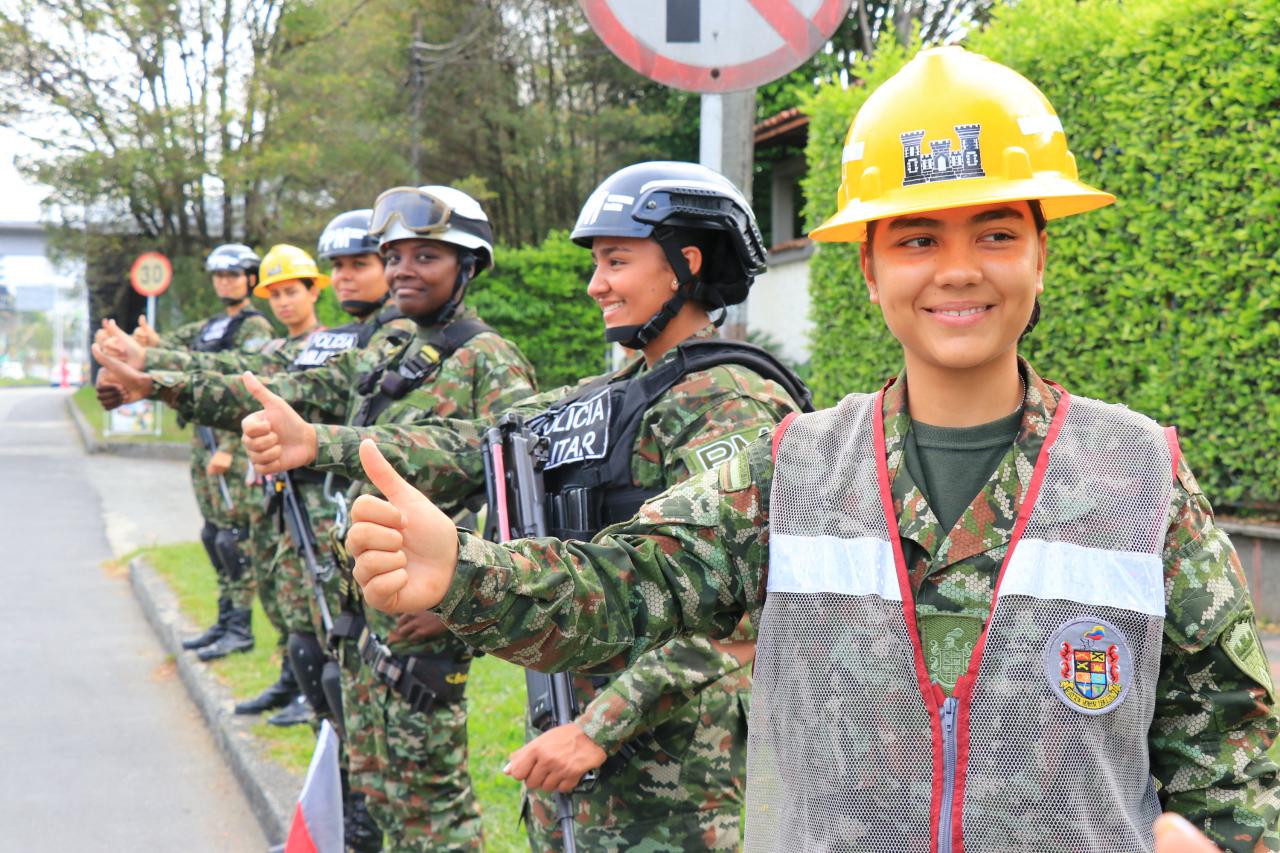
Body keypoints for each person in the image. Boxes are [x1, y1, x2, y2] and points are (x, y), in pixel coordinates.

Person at [345, 48, 1280, 852]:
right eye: (917, 238)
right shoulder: (795, 469)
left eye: (996, 232)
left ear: (1040, 254)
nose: (958, 268)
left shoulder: (1137, 474)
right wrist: (464, 571)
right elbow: (626, 586)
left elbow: (1234, 747)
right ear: (871, 269)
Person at [241, 161, 812, 850]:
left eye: (616, 260)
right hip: (571, 733)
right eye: (597, 262)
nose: (595, 283)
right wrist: (317, 442)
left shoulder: (731, 399)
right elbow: (477, 441)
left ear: (684, 265)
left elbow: (746, 607)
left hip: (670, 769)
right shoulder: (618, 388)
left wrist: (599, 725)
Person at [96, 185, 537, 852]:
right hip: (358, 618)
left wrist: (458, 604)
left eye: (425, 255)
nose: (402, 270)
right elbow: (283, 391)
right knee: (376, 791)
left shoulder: (490, 360)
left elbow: (513, 493)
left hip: (423, 629)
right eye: (393, 256)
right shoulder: (389, 350)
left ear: (469, 264)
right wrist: (153, 378)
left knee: (433, 812)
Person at [104, 243, 274, 660]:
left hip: (230, 446)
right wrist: (142, 342)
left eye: (233, 275)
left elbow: (250, 388)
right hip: (202, 444)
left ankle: (240, 628)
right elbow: (168, 350)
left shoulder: (256, 330)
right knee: (213, 536)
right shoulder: (209, 326)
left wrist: (232, 449)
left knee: (235, 539)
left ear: (250, 279)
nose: (225, 282)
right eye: (218, 275)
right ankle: (223, 621)